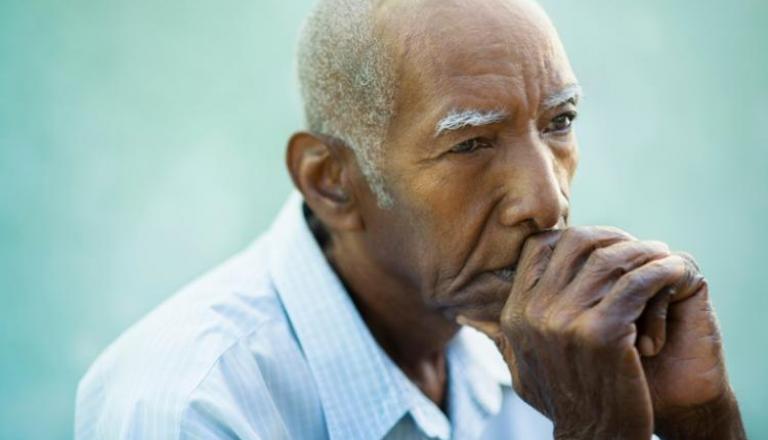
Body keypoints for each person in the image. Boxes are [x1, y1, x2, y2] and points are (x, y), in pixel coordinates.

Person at [75, 0, 746, 438]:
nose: (546, 202)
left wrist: (698, 420)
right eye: (471, 143)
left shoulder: (562, 349)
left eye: (560, 122)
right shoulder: (188, 405)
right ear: (330, 181)